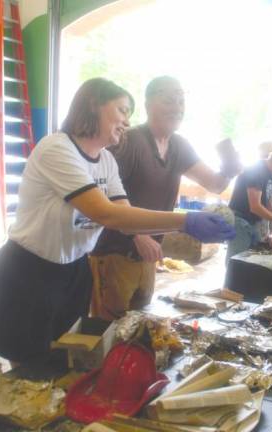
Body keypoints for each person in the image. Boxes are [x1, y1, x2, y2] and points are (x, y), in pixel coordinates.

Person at [0, 78, 235, 366]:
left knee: (67, 358)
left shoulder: (105, 161)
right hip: (31, 270)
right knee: (29, 366)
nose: (127, 121)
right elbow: (105, 214)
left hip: (74, 269)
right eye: (122, 110)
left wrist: (182, 224)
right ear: (93, 105)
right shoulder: (56, 149)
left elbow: (125, 221)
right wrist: (185, 221)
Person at [90, 76, 240, 320]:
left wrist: (229, 170)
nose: (177, 107)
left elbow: (215, 184)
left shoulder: (179, 146)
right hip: (114, 254)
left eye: (181, 101)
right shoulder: (129, 141)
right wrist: (139, 234)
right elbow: (102, 195)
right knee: (108, 332)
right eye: (169, 100)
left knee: (138, 327)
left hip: (149, 256)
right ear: (148, 104)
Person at [227, 147, 272, 260]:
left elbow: (267, 206)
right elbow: (255, 207)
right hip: (240, 222)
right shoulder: (257, 171)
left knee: (250, 261)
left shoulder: (269, 176)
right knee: (236, 261)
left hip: (252, 223)